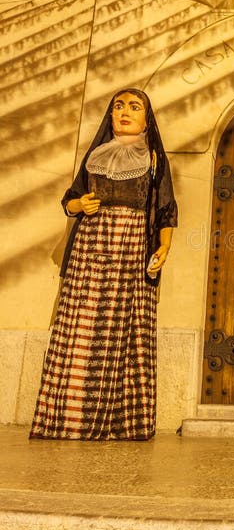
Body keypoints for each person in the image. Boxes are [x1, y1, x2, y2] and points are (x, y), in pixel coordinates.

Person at [30, 88, 177, 441]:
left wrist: (164, 244)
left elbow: (166, 206)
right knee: (79, 328)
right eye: (118, 107)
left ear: (146, 117)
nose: (125, 112)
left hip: (130, 246)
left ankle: (115, 422)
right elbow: (70, 198)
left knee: (121, 329)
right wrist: (80, 205)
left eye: (134, 107)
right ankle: (68, 418)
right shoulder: (95, 155)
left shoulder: (154, 158)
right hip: (90, 247)